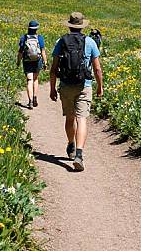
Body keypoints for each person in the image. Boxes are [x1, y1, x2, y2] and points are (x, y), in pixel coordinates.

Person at [49, 12, 103, 172]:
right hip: (84, 85)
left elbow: (53, 69)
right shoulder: (90, 42)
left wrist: (52, 88)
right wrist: (100, 86)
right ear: (82, 26)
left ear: (69, 25)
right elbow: (97, 68)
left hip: (66, 85)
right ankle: (79, 154)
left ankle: (71, 144)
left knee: (70, 118)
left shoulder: (61, 41)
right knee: (82, 119)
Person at [17, 20, 47, 110]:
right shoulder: (39, 38)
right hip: (37, 60)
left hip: (27, 61)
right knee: (35, 79)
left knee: (29, 80)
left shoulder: (24, 38)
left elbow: (20, 52)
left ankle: (30, 101)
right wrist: (45, 62)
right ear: (36, 29)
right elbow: (42, 51)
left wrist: (18, 61)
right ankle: (34, 97)